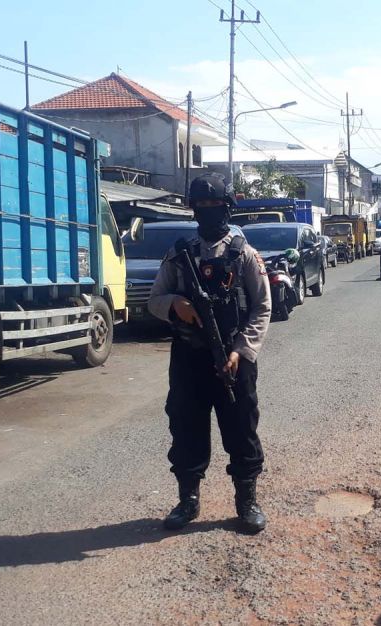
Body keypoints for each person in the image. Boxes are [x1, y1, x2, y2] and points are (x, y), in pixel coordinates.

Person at [148, 173, 273, 535]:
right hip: (189, 358)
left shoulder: (244, 254)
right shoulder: (179, 254)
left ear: (227, 207)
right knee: (185, 427)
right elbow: (155, 300)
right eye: (201, 205)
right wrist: (176, 304)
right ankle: (187, 500)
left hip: (234, 358)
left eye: (214, 204)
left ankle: (247, 501)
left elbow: (262, 307)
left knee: (241, 428)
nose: (208, 211)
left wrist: (242, 350)